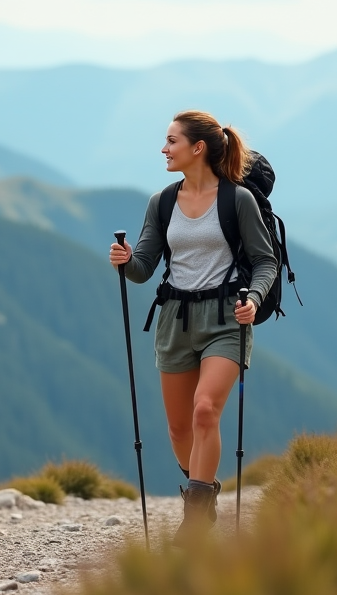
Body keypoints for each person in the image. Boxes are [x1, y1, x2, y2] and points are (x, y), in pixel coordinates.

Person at [109, 111, 276, 544]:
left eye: (171, 142)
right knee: (180, 429)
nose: (164, 150)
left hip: (226, 318)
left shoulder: (237, 199)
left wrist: (253, 300)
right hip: (175, 321)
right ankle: (205, 486)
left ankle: (196, 513)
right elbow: (145, 268)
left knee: (206, 411)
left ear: (197, 148)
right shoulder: (162, 202)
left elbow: (265, 261)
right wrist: (127, 262)